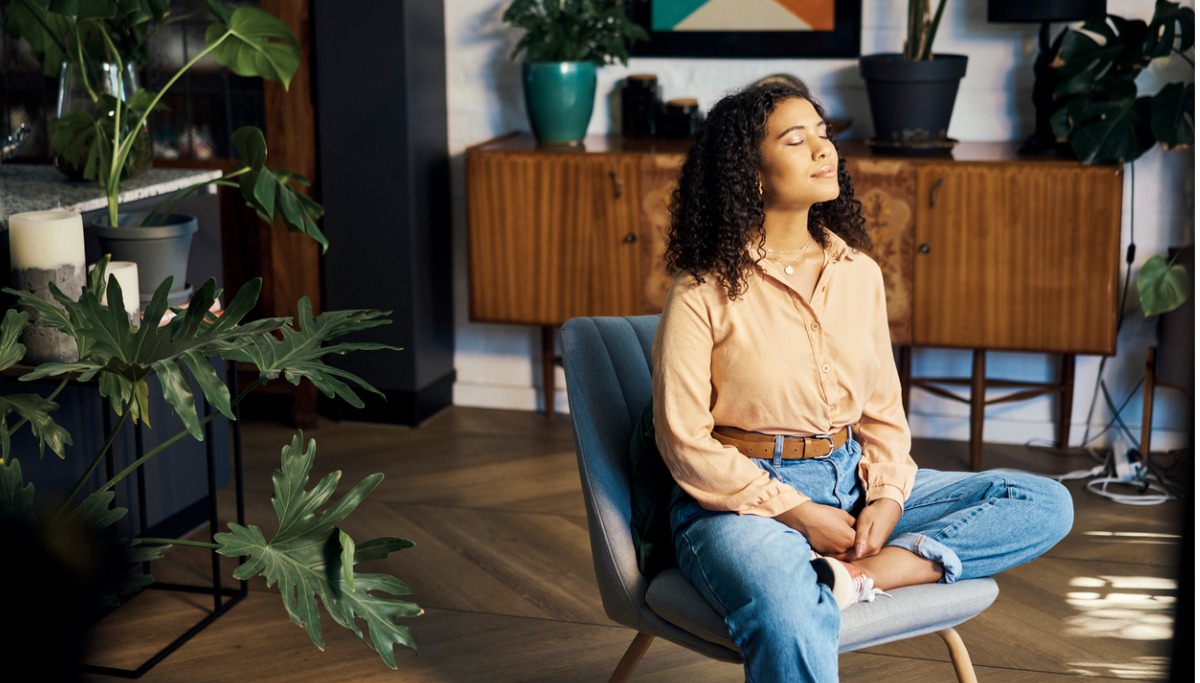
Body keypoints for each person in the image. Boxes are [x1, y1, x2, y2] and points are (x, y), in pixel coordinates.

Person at [650, 80, 1074, 682]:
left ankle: (860, 576)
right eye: (798, 141)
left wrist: (887, 497)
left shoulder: (859, 274)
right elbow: (684, 441)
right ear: (751, 173)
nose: (825, 151)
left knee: (1042, 502)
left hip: (850, 478)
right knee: (788, 608)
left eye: (824, 136)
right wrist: (798, 512)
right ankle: (834, 576)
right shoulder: (702, 289)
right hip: (740, 505)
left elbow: (881, 414)